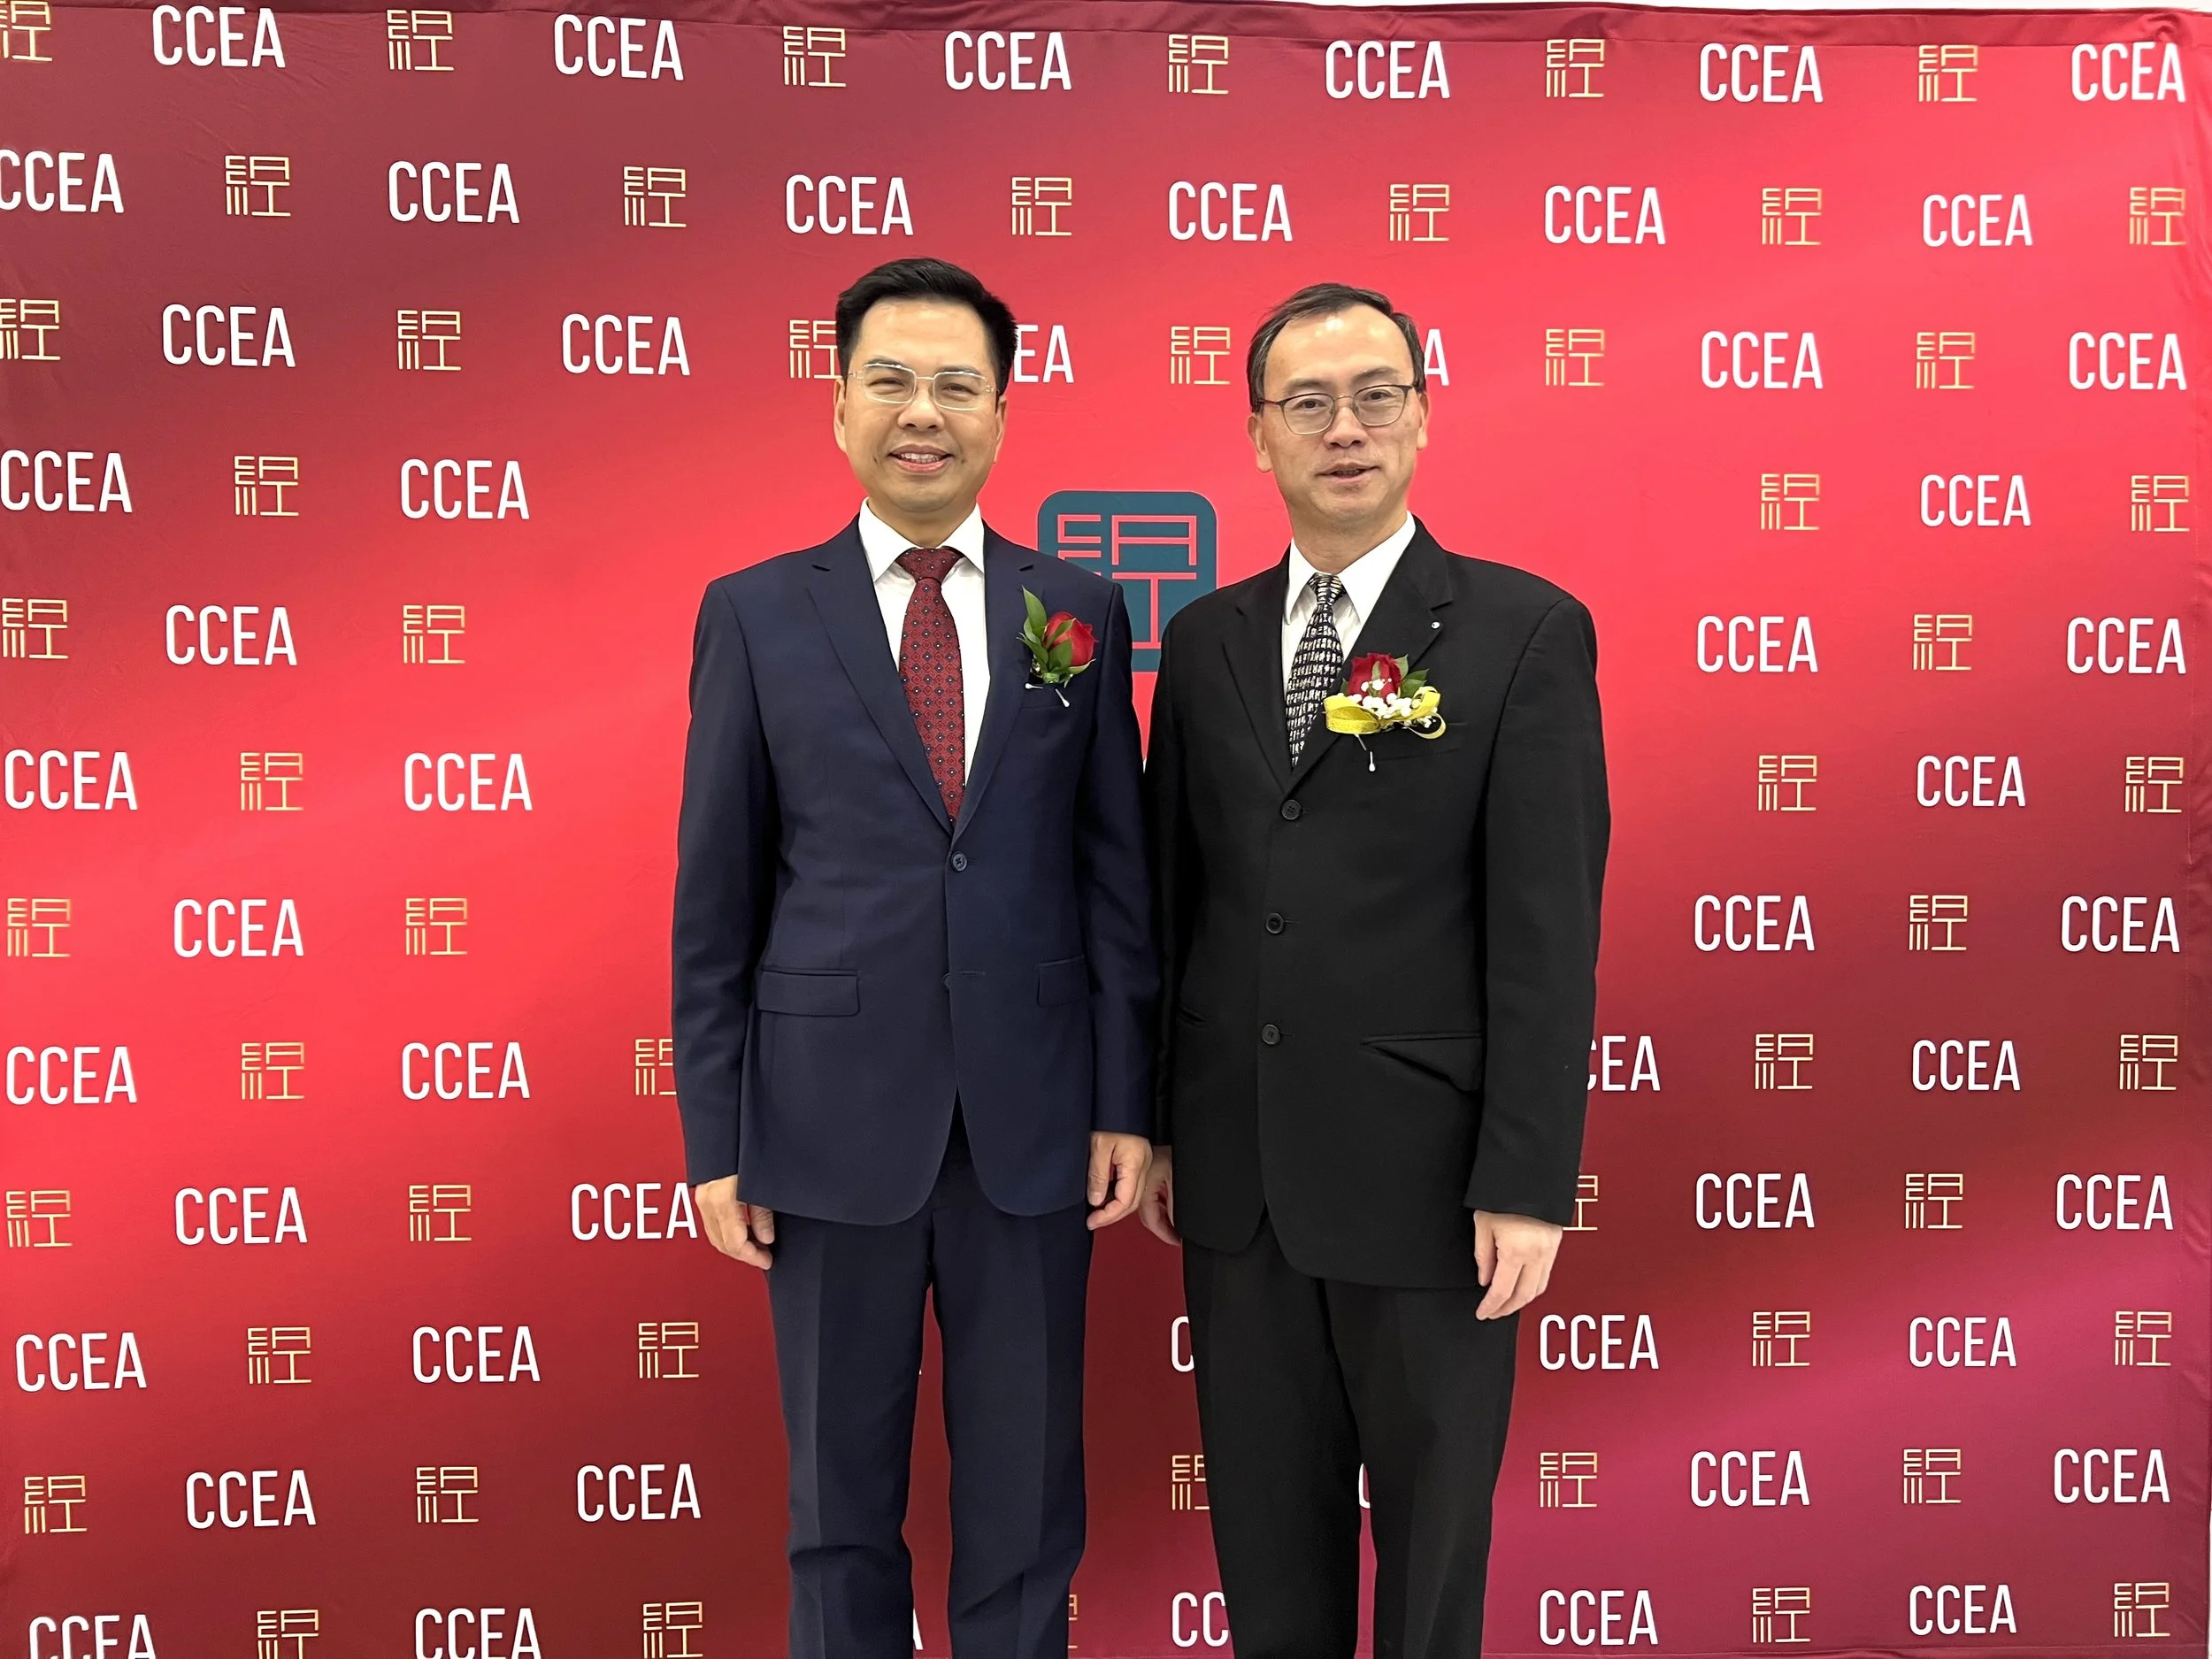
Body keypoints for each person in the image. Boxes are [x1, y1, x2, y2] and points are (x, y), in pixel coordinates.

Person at [672, 256, 1155, 1659]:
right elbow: (716, 898)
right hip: (824, 1128)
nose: (922, 411)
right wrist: (718, 1138)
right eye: (889, 380)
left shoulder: (1079, 608)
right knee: (837, 1511)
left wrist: (1125, 1101)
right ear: (839, 407)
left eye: (956, 384)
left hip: (1032, 1126)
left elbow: (1113, 878)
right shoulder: (758, 612)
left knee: (1028, 1507)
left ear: (1002, 412)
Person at [1140, 282, 1609, 1658]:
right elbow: (1176, 902)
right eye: (1308, 404)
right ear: (1259, 435)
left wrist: (1527, 1178)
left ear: (1421, 415)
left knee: (1429, 1572)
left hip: (1432, 1187)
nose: (1343, 429)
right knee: (1267, 1564)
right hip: (1240, 1187)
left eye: (1374, 396)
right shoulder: (1206, 641)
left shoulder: (1522, 631)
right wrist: (1163, 1122)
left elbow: (1546, 931)